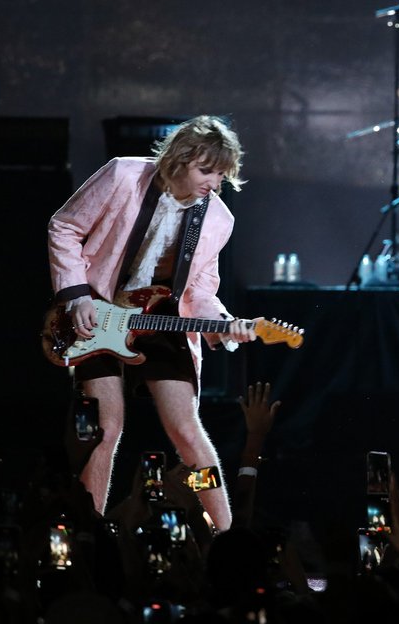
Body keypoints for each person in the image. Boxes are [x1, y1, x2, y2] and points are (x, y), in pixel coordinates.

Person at [47, 115, 256, 530]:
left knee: (186, 432)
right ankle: (92, 533)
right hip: (99, 311)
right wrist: (77, 295)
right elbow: (65, 227)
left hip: (163, 320)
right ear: (178, 159)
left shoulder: (218, 219)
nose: (214, 183)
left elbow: (199, 291)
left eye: (221, 173)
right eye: (206, 170)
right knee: (107, 428)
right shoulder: (123, 174)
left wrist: (223, 324)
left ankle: (227, 533)